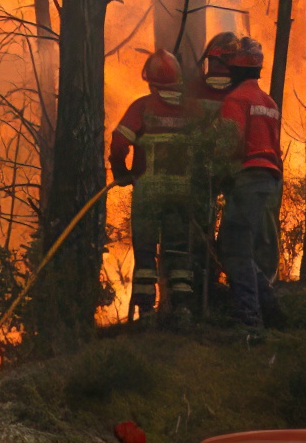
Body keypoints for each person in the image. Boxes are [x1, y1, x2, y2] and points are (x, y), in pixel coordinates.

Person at [109, 49, 201, 320]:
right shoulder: (193, 110)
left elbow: (118, 143)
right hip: (182, 193)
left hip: (148, 192)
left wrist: (121, 172)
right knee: (178, 249)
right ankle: (182, 306)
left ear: (150, 79)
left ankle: (146, 310)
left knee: (146, 250)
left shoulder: (143, 107)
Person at [211, 35, 285, 333]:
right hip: (270, 182)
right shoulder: (268, 102)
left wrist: (215, 175)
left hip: (248, 179)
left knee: (235, 248)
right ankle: (272, 310)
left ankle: (249, 319)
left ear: (236, 68)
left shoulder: (236, 99)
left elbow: (230, 143)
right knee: (240, 246)